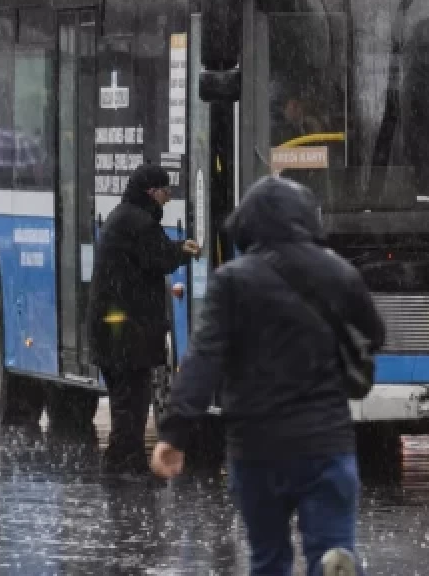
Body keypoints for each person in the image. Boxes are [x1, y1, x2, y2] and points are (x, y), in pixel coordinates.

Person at [151, 176, 386, 576]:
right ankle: (333, 563)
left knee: (269, 558)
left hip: (257, 447)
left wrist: (174, 435)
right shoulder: (339, 273)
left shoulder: (232, 282)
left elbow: (203, 359)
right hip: (325, 442)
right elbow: (375, 333)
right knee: (331, 549)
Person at [87, 163, 200, 479]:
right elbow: (158, 257)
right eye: (166, 191)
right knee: (132, 402)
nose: (168, 198)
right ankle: (120, 466)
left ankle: (129, 465)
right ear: (152, 192)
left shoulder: (124, 216)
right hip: (123, 333)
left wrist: (176, 249)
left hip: (114, 330)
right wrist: (183, 250)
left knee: (130, 400)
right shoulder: (138, 222)